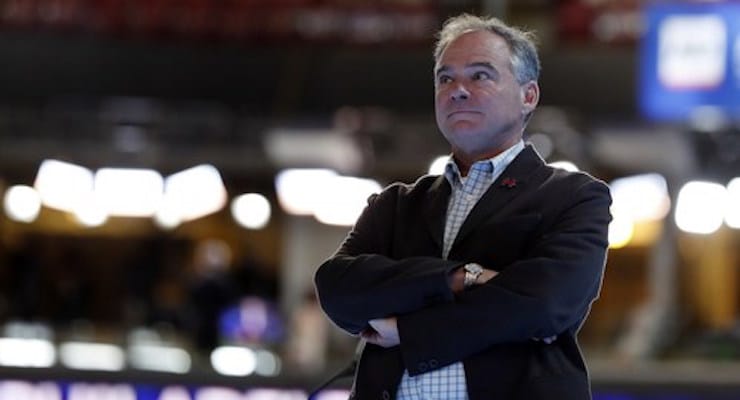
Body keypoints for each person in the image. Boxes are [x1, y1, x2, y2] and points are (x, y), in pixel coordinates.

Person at [313, 13, 612, 400]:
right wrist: (459, 278)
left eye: (480, 75)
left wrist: (406, 330)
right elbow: (337, 288)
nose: (457, 89)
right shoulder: (395, 204)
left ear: (528, 96)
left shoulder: (574, 197)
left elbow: (545, 305)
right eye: (445, 78)